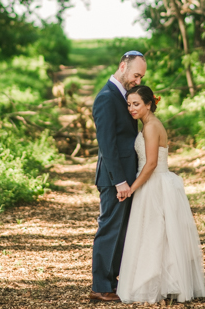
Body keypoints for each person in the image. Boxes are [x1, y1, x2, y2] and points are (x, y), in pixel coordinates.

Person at [116, 84, 205, 304]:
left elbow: (151, 163)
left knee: (154, 234)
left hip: (154, 183)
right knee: (156, 234)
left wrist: (132, 188)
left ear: (149, 104)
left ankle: (155, 286)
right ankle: (162, 284)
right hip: (155, 181)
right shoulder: (149, 124)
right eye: (129, 104)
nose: (131, 109)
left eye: (136, 104)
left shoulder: (150, 127)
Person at [89, 51, 147, 303]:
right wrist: (120, 181)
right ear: (123, 67)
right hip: (115, 179)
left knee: (120, 232)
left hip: (126, 178)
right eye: (136, 75)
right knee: (109, 230)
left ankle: (111, 284)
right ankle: (100, 287)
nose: (138, 80)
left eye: (141, 77)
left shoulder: (123, 96)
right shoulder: (106, 98)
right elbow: (107, 145)